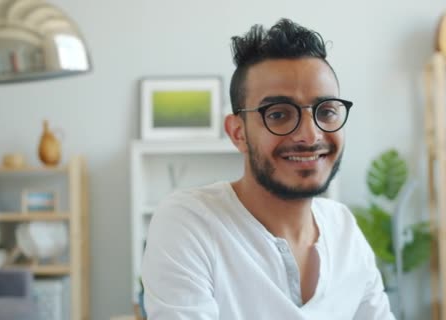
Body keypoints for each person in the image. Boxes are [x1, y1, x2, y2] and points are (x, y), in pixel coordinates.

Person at [141, 18, 395, 320]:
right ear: (238, 133)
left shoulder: (343, 230)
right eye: (278, 114)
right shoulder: (191, 223)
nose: (310, 135)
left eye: (326, 111)